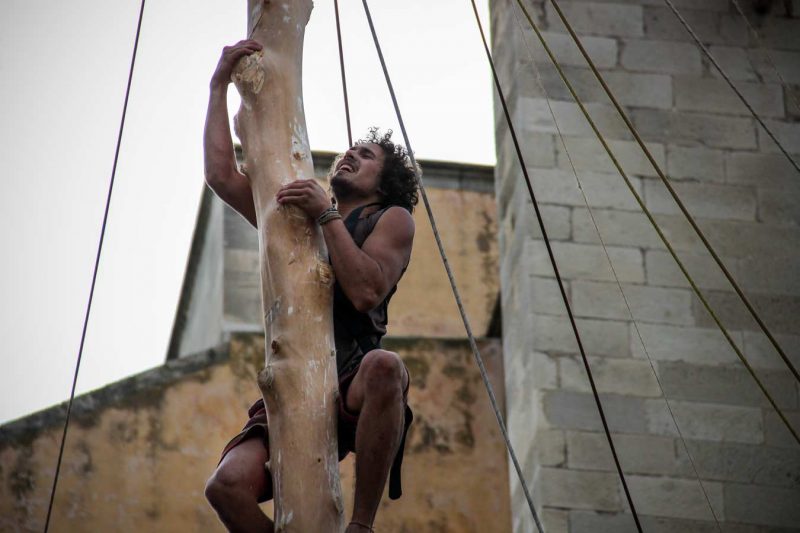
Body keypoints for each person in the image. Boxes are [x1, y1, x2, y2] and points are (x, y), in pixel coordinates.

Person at [202, 40, 418, 533]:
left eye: (365, 156)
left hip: (351, 374)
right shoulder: (300, 220)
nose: (349, 156)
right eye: (350, 150)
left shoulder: (392, 218)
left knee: (386, 366)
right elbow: (221, 175)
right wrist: (218, 88)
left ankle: (361, 525)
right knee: (225, 488)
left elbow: (366, 292)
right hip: (293, 373)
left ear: (383, 184)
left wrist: (326, 214)